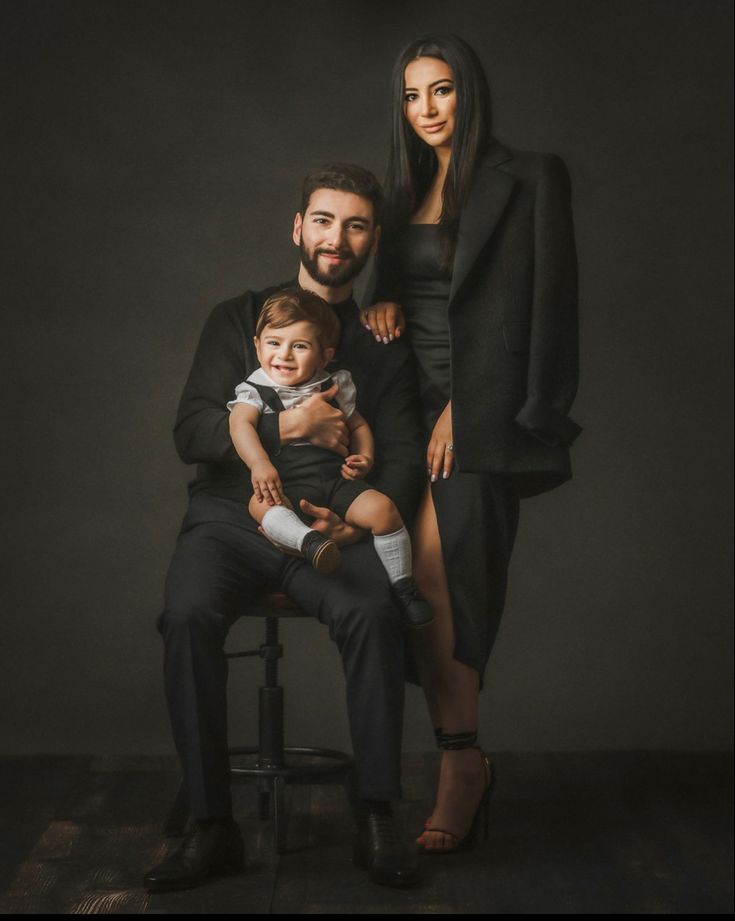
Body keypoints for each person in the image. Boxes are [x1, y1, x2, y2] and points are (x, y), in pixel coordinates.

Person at [144, 163, 425, 892]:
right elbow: (192, 429)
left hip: (327, 527)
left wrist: (359, 523)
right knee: (187, 614)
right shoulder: (235, 318)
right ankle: (211, 824)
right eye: (324, 220)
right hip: (230, 519)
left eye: (356, 224)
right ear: (298, 228)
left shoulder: (379, 337)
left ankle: (375, 808)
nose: (337, 238)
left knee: (371, 610)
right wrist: (285, 419)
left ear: (371, 239)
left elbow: (396, 450)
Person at [359, 34, 582, 853]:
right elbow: (393, 296)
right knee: (398, 582)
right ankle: (451, 754)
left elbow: (550, 310)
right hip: (397, 415)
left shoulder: (528, 176)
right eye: (413, 96)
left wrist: (475, 407)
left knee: (437, 572)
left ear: (469, 92)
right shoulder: (399, 191)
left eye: (441, 91)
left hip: (475, 418)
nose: (426, 110)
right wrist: (376, 306)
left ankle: (460, 764)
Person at [227, 286, 434, 628]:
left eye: (300, 346)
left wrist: (364, 456)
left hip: (334, 481)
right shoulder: (256, 388)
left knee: (384, 511)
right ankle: (310, 542)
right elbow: (240, 426)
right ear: (257, 345)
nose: (285, 355)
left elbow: (358, 424)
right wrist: (259, 464)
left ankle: (403, 585)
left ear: (325, 356)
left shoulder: (334, 384)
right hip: (286, 484)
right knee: (260, 507)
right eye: (274, 343)